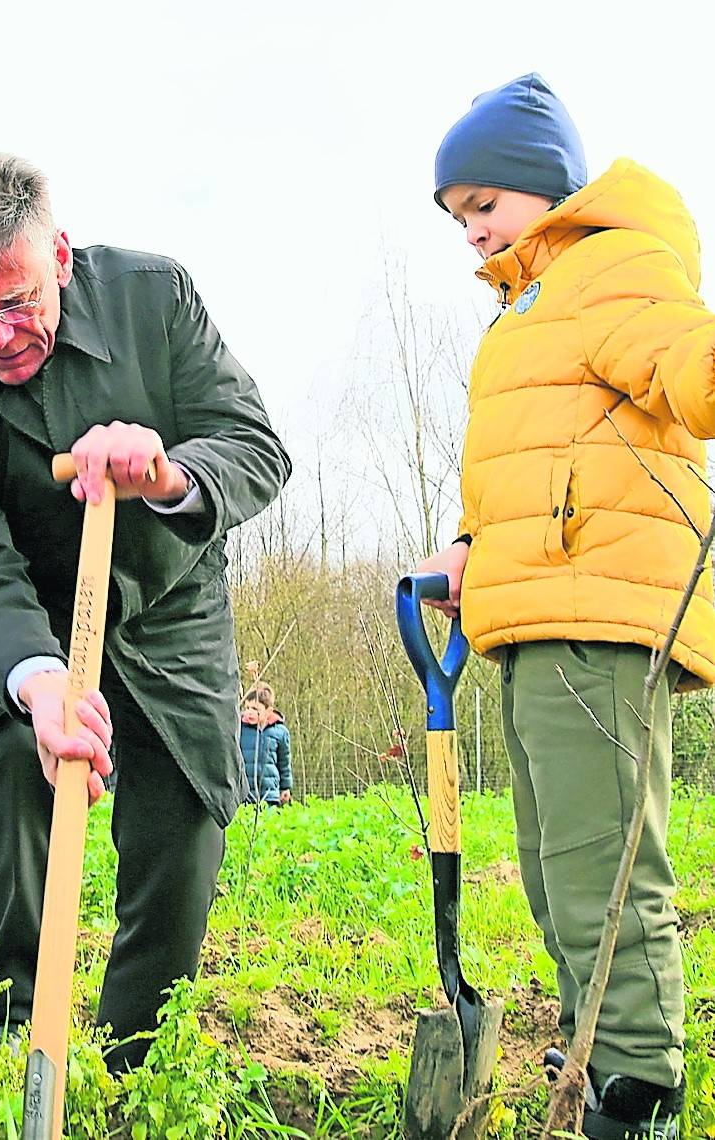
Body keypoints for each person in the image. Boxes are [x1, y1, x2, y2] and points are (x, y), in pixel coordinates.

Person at [0, 154, 291, 1072]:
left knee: (182, 817)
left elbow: (255, 445)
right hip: (27, 613)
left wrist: (170, 472)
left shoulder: (154, 297)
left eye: (16, 300)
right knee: (16, 767)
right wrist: (40, 680)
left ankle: (129, 1053)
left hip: (167, 597)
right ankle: (26, 1025)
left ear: (58, 255)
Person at [421, 74, 715, 1139]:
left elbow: (688, 375)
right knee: (556, 871)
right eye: (458, 217)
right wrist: (468, 545)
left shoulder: (612, 266)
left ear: (545, 189)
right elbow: (540, 456)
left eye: (483, 206)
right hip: (539, 607)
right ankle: (599, 1057)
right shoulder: (529, 306)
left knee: (603, 871)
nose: (470, 233)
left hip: (602, 612)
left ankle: (636, 1092)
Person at [239, 683, 293, 807]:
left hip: (269, 794)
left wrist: (285, 787)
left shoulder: (280, 732)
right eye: (247, 708)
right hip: (244, 795)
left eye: (255, 709)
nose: (249, 713)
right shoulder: (239, 728)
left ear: (269, 710)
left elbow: (284, 762)